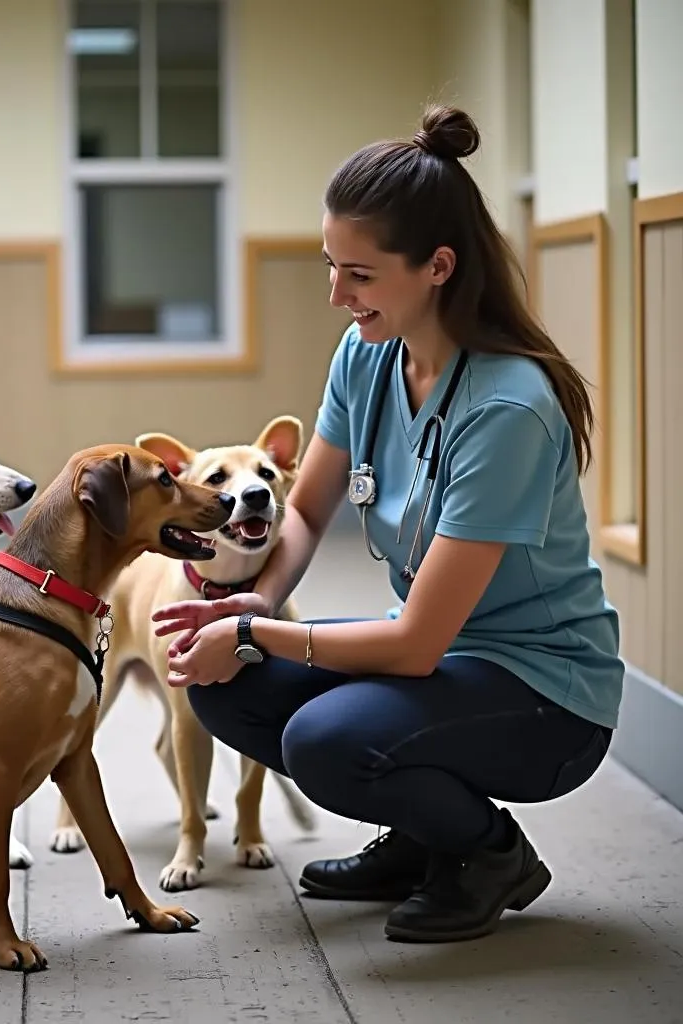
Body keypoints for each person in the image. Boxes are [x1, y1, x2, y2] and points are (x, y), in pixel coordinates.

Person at [150, 104, 624, 944]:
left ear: (437, 267)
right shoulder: (367, 354)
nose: (337, 295)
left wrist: (260, 629)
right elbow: (303, 508)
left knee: (326, 738)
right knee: (224, 686)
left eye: (359, 275)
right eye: (332, 267)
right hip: (443, 660)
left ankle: (489, 854)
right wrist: (247, 605)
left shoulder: (508, 407)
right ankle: (419, 838)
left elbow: (414, 645)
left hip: (544, 696)